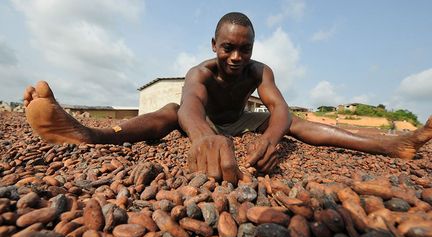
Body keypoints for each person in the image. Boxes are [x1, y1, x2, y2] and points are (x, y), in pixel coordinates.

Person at [23, 12, 432, 184]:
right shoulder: (199, 72)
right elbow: (189, 108)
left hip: (239, 120)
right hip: (203, 121)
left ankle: (394, 144)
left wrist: (271, 141)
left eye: (245, 49)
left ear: (252, 47)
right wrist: (202, 136)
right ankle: (89, 134)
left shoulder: (259, 71)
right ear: (214, 45)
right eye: (227, 48)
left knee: (298, 126)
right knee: (167, 113)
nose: (236, 58)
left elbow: (280, 109)